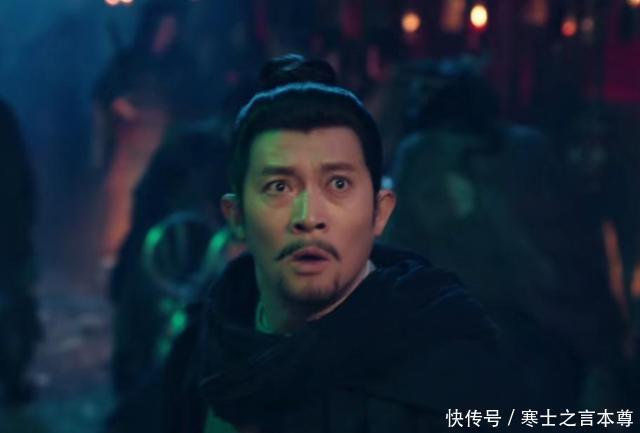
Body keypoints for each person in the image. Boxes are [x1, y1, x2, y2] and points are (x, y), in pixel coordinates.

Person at [155, 54, 527, 433]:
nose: (308, 216)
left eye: (338, 184)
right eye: (279, 187)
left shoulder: (445, 360)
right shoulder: (202, 353)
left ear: (379, 212)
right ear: (236, 217)